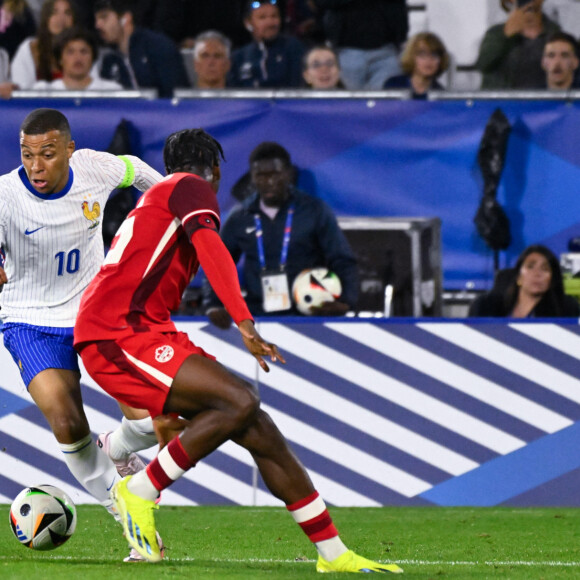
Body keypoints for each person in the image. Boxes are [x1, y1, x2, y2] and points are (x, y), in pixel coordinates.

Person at [73, 127, 402, 573]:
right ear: (216, 171)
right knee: (241, 399)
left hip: (146, 330)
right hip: (118, 331)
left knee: (257, 424)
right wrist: (245, 323)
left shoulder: (162, 197)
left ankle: (333, 554)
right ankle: (139, 490)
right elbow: (214, 251)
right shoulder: (189, 188)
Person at [0, 108, 164, 562]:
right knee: (69, 425)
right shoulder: (4, 197)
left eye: (48, 154)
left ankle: (115, 448)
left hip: (95, 315)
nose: (36, 166)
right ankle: (133, 524)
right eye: (27, 155)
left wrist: (173, 211)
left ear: (69, 151)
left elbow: (139, 172)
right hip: (29, 320)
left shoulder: (97, 167)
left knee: (152, 424)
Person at [203, 141, 358, 327]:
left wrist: (346, 301)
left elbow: (342, 259)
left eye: (274, 174)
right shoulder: (240, 217)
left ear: (288, 174)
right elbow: (218, 264)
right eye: (260, 175)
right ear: (252, 177)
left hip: (308, 317)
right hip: (257, 317)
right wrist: (213, 305)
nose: (268, 182)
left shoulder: (314, 211)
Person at [93, 0, 188, 98]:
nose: (97, 25)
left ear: (125, 19)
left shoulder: (157, 47)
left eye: (104, 17)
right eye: (96, 20)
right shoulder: (109, 60)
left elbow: (177, 95)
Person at [309, 0, 408, 90]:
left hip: (386, 50)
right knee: (348, 105)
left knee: (386, 105)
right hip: (346, 51)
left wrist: (401, 37)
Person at [468, 244, 580, 317]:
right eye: (530, 267)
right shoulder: (486, 308)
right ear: (518, 276)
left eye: (545, 269)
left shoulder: (565, 311)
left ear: (552, 279)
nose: (537, 274)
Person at [476, 0, 560, 90]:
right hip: (504, 101)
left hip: (545, 101)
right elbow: (483, 64)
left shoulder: (555, 33)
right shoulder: (496, 33)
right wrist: (505, 35)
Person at [229, 0, 305, 88]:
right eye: (262, 17)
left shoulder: (293, 48)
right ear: (248, 23)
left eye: (274, 16)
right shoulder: (239, 57)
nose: (270, 22)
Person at [10, 0, 75, 89]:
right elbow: (20, 89)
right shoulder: (28, 49)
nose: (61, 18)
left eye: (67, 13)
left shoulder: (82, 49)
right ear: (45, 18)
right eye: (54, 12)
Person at [32, 26, 122, 90]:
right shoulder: (44, 91)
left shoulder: (111, 90)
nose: (78, 57)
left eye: (84, 51)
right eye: (70, 52)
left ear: (93, 58)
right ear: (60, 59)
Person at [383, 32, 449, 99]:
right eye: (422, 54)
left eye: (434, 55)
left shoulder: (440, 94)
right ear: (411, 56)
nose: (429, 60)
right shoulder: (393, 85)